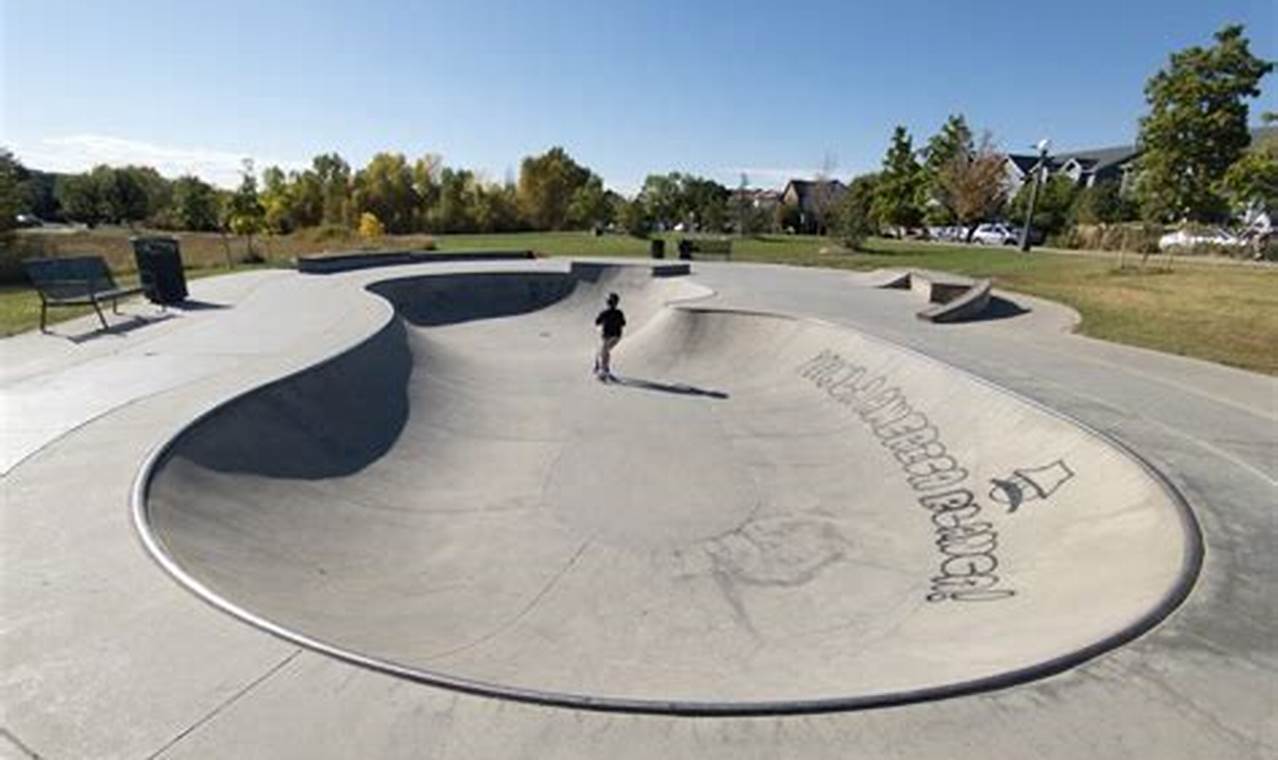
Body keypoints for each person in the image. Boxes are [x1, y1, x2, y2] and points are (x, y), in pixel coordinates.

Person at [593, 292, 626, 381]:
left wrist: (604, 321)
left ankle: (603, 370)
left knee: (604, 351)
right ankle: (602, 368)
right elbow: (623, 323)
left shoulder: (605, 313)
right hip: (616, 336)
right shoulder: (619, 313)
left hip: (608, 335)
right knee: (604, 351)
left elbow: (597, 322)